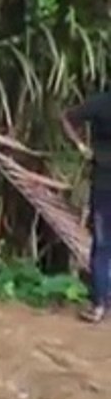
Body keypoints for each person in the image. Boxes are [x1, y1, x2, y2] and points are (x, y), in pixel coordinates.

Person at [62, 91, 111, 323]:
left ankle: (100, 304)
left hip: (103, 186)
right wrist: (82, 147)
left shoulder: (101, 102)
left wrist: (81, 146)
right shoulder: (102, 103)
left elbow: (67, 117)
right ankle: (101, 302)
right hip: (103, 185)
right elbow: (68, 117)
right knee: (102, 246)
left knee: (102, 246)